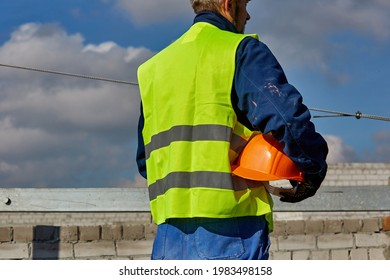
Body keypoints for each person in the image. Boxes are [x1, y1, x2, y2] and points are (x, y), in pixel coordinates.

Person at [136, 0, 328, 260]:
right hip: (229, 230)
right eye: (245, 4)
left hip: (168, 237)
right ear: (228, 4)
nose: (248, 15)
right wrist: (312, 169)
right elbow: (287, 119)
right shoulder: (239, 50)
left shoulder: (152, 69)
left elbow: (145, 161)